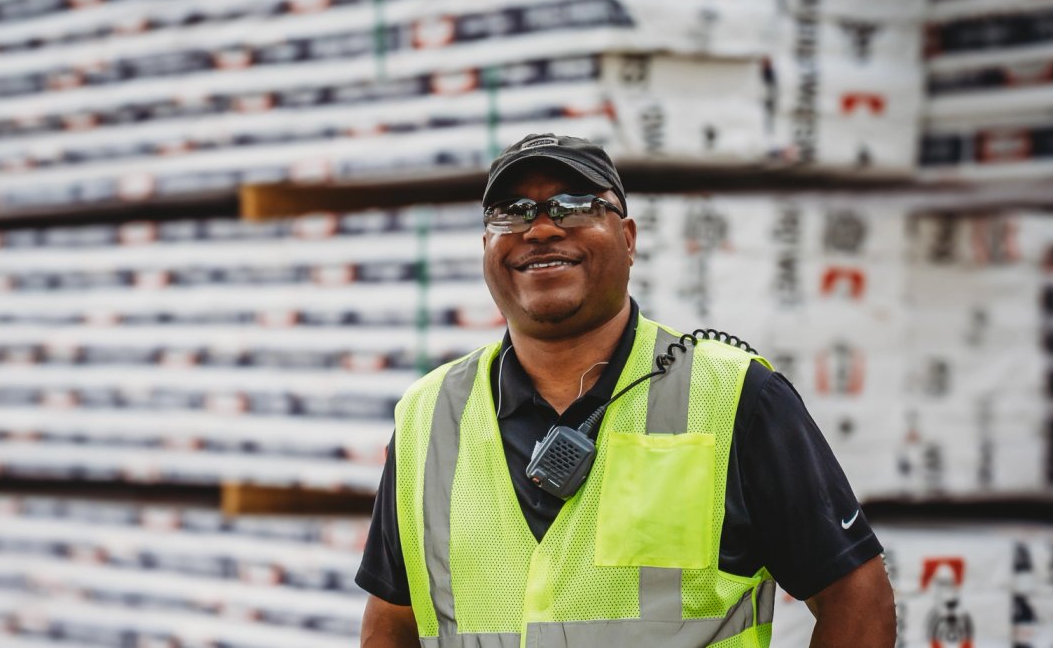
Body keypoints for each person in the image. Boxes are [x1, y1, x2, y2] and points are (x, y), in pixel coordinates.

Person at [356, 134, 896, 647]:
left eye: (575, 205)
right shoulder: (428, 415)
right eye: (513, 212)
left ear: (628, 239)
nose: (541, 229)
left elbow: (856, 595)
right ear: (487, 248)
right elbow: (393, 618)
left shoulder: (737, 397)